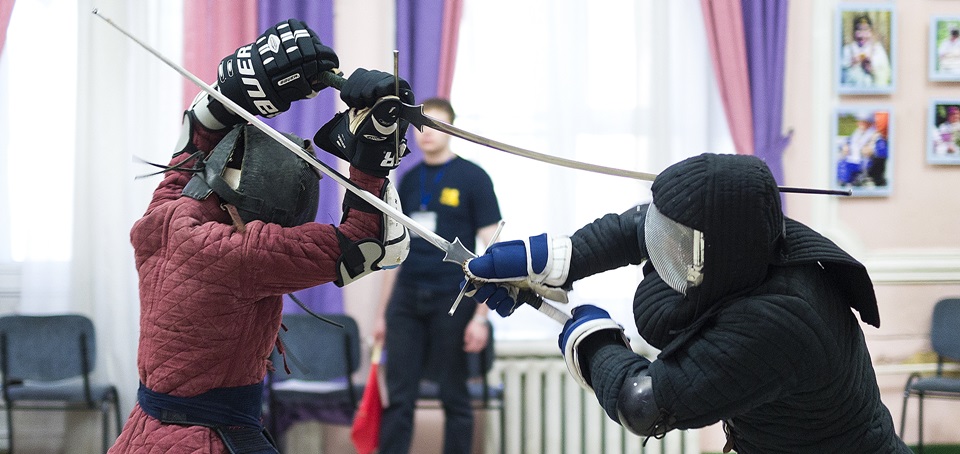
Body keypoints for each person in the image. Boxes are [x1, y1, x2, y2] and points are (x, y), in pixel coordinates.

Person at [463, 153, 911, 453]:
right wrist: (543, 258)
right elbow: (638, 230)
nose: (661, 243)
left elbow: (642, 402)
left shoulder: (780, 319)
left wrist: (587, 334)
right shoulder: (749, 232)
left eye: (675, 238)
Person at [109, 19, 415, 453]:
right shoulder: (243, 255)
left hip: (144, 434)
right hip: (205, 442)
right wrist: (373, 150)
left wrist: (244, 82)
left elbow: (195, 132)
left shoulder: (164, 214)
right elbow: (375, 243)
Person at [373, 98, 502, 454]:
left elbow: (492, 249)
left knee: (454, 396)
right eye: (422, 125)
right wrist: (383, 314)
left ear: (451, 130)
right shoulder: (409, 180)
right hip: (407, 299)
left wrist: (481, 316)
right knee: (399, 397)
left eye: (437, 125)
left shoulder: (473, 178)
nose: (428, 133)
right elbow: (393, 253)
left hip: (454, 298)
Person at [840, 15, 891, 88]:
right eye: (859, 30)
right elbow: (841, 77)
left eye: (865, 30)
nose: (862, 35)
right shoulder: (847, 49)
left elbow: (886, 74)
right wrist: (852, 64)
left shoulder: (878, 49)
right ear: (854, 32)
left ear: (871, 31)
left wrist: (872, 69)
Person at [836, 111, 879, 187]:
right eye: (859, 121)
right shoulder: (857, 132)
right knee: (839, 163)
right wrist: (845, 145)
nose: (859, 124)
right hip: (852, 158)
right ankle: (844, 184)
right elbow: (848, 140)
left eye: (863, 122)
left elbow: (874, 149)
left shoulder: (873, 134)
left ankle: (848, 184)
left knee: (844, 166)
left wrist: (870, 150)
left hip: (863, 162)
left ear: (869, 123)